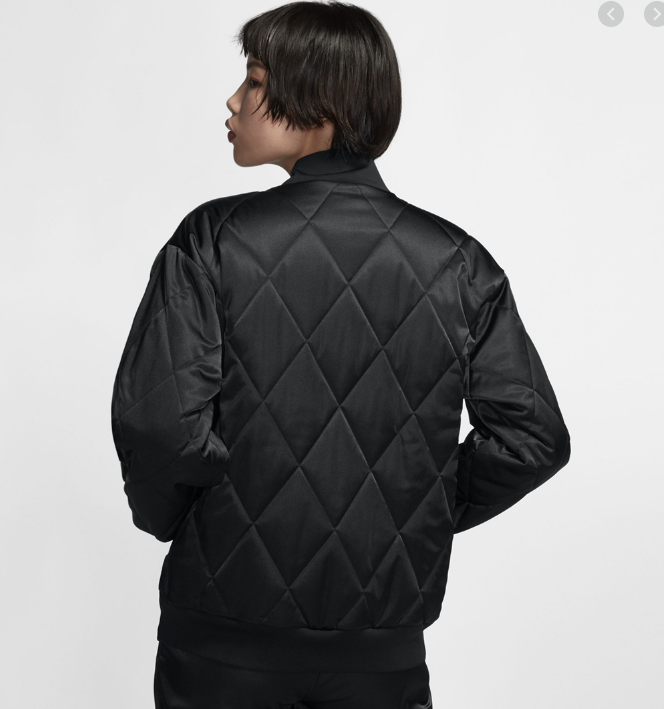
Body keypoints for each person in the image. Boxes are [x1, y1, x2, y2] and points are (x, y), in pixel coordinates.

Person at [110, 2, 571, 708]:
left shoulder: (212, 239)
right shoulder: (458, 262)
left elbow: (159, 424)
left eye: (254, 81)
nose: (233, 101)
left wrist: (177, 521)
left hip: (222, 646)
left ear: (320, 101)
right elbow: (532, 439)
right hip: (382, 656)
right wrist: (415, 510)